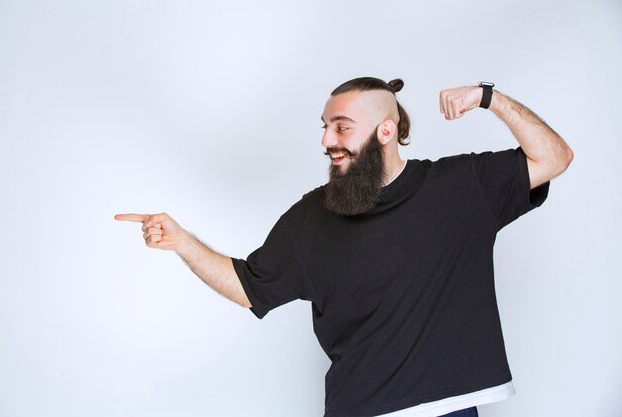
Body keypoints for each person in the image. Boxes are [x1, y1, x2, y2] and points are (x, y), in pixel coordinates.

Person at [115, 77, 573, 417]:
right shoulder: (312, 217)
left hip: (453, 408)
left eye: (341, 127)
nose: (326, 141)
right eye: (325, 128)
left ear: (385, 132)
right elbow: (249, 288)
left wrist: (488, 97)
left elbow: (554, 157)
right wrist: (182, 242)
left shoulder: (460, 186)